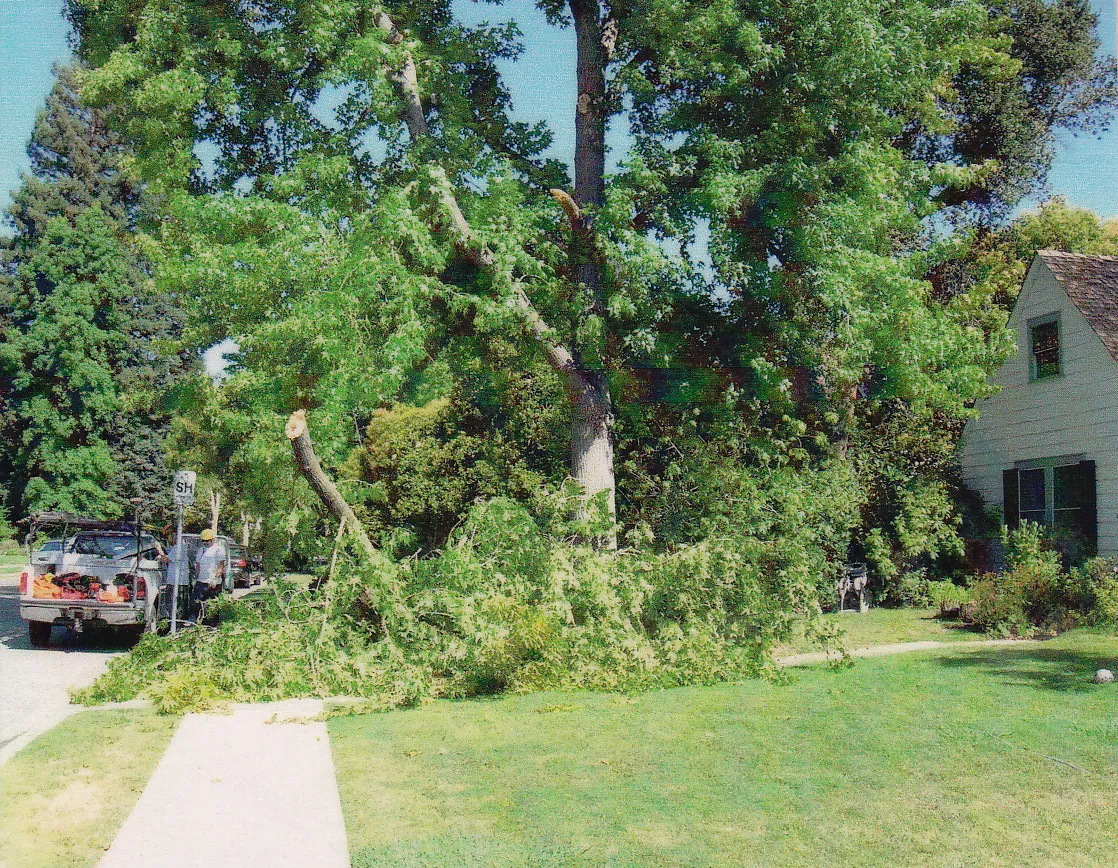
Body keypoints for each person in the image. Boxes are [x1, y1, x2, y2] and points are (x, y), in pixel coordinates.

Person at [192, 528, 228, 612]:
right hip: (201, 581)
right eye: (203, 541)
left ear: (212, 540)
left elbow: (220, 565)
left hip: (213, 582)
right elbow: (198, 565)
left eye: (207, 541)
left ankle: (211, 620)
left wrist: (215, 578)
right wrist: (196, 578)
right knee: (197, 603)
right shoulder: (201, 550)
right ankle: (199, 618)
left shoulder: (218, 549)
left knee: (212, 605)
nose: (205, 543)